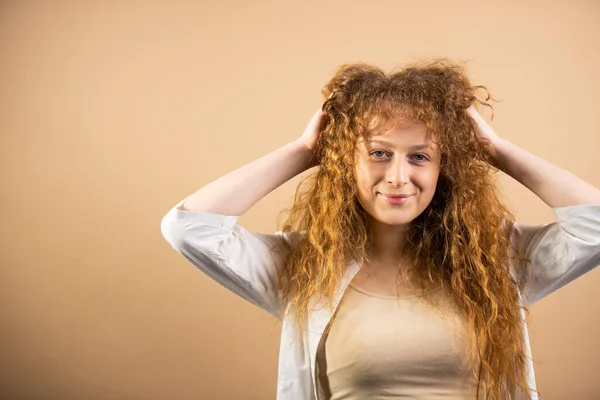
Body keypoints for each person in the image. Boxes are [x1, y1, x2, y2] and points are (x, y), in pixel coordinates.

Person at [160, 59, 600, 400]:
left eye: (420, 156)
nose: (397, 176)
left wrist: (495, 149)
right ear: (344, 162)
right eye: (378, 153)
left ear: (446, 167)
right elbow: (190, 228)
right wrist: (305, 150)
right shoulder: (305, 267)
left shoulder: (498, 259)